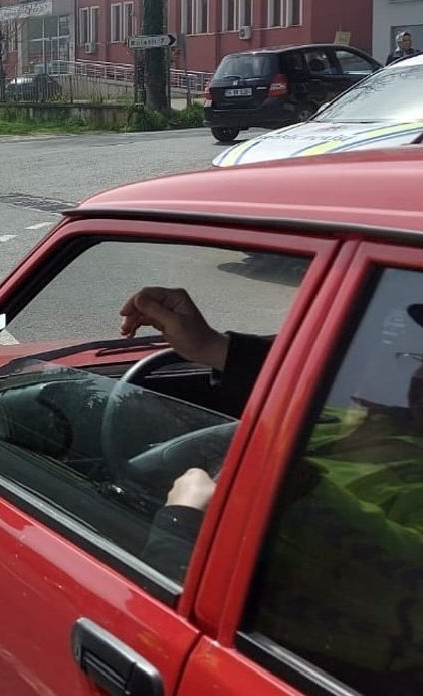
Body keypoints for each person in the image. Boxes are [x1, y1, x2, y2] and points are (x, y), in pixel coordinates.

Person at [122, 286, 423, 689]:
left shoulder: (403, 483)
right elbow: (303, 388)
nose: (400, 365)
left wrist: (182, 523)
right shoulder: (352, 418)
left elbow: (152, 631)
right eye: (398, 346)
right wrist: (211, 347)